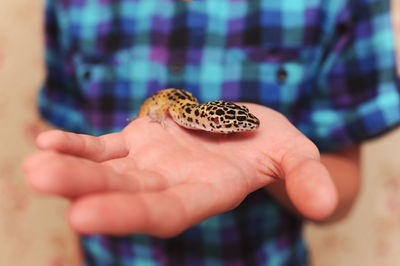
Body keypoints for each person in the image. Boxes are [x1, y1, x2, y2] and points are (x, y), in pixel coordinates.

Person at [24, 0, 399, 265]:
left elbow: (341, 190)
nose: (240, 128)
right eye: (234, 124)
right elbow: (81, 169)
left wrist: (274, 162)